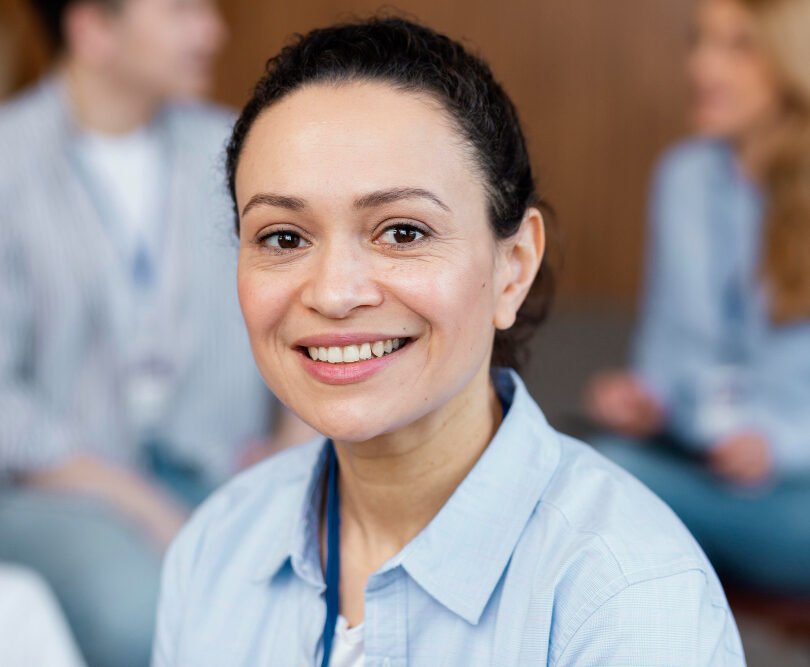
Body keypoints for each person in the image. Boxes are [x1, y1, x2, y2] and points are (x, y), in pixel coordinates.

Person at [153, 17, 745, 667]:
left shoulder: (627, 598)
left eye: (402, 231)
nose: (334, 292)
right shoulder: (214, 548)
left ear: (513, 267)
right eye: (284, 238)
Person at [0, 0, 313, 665]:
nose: (213, 31)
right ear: (92, 31)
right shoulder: (9, 161)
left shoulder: (236, 148)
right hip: (59, 487)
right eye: (181, 11)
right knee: (146, 611)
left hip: (221, 470)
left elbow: (303, 304)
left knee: (310, 597)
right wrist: (142, 503)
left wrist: (294, 446)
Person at [586, 0, 810, 594]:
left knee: (606, 489)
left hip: (796, 490)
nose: (703, 67)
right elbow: (667, 356)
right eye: (700, 42)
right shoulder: (682, 178)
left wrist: (778, 445)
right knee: (592, 462)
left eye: (739, 46)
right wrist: (646, 398)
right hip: (697, 464)